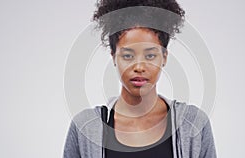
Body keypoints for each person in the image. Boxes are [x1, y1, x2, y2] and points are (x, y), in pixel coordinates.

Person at [63, 0, 216, 158]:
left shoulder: (194, 125)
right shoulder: (85, 127)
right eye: (128, 56)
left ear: (164, 57)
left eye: (150, 55)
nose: (139, 67)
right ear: (114, 57)